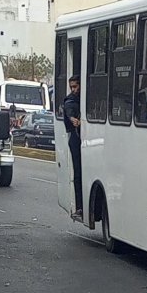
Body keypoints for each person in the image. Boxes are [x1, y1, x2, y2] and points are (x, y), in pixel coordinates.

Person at [63, 75, 83, 219]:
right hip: (75, 138)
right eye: (71, 87)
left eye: (76, 86)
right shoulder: (70, 100)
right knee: (78, 173)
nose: (73, 90)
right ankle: (80, 206)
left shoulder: (86, 97)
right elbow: (69, 110)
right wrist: (72, 119)